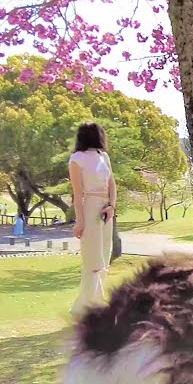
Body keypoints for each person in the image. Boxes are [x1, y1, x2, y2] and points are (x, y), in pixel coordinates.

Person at [68, 122, 116, 318]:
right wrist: (80, 222)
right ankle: (86, 307)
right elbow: (78, 194)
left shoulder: (103, 156)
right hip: (90, 208)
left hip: (106, 211)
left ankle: (97, 304)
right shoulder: (76, 159)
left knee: (104, 255)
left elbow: (112, 184)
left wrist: (112, 206)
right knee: (92, 259)